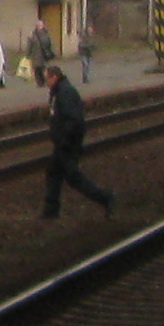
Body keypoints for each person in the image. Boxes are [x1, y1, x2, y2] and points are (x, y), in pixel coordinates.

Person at [38, 60, 117, 220]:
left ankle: (106, 198)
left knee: (74, 178)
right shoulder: (59, 91)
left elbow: (74, 120)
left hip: (67, 143)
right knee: (53, 173)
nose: (45, 83)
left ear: (54, 77)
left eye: (47, 79)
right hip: (62, 143)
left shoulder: (65, 93)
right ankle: (50, 211)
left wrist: (66, 140)